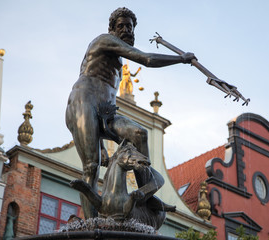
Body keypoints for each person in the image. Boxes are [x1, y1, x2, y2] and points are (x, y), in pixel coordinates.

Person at [66, 7, 195, 218]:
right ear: (112, 30)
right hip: (83, 101)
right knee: (91, 166)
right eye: (122, 26)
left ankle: (146, 193)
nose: (127, 30)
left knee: (139, 134)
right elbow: (147, 60)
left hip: (105, 111)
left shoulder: (117, 60)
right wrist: (180, 59)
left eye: (130, 27)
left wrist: (99, 138)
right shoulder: (104, 40)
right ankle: (91, 225)